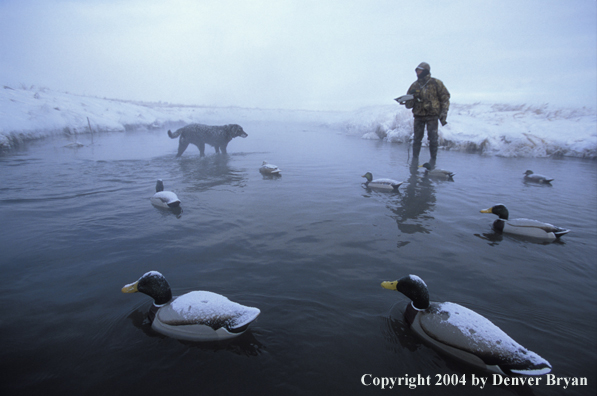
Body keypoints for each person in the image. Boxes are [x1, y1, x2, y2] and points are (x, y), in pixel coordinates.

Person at [403, 62, 450, 167]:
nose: (417, 72)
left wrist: (443, 113)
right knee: (417, 139)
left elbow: (445, 99)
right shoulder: (414, 85)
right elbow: (408, 104)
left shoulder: (436, 83)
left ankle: (433, 161)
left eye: (419, 70)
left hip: (432, 116)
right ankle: (414, 162)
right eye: (416, 70)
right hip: (418, 116)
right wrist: (406, 100)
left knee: (433, 138)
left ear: (425, 71)